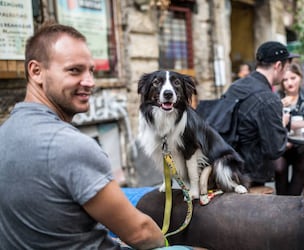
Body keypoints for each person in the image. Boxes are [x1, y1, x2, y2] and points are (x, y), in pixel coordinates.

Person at [0, 22, 188, 250]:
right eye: (74, 70)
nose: (90, 82)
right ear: (36, 71)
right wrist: (167, 244)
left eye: (91, 70)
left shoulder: (6, 130)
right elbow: (140, 233)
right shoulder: (72, 145)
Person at [217, 41, 296, 187]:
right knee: (301, 155)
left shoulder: (236, 86)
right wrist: (282, 123)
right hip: (248, 173)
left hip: (223, 165)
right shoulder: (269, 99)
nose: (285, 74)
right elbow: (275, 149)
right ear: (278, 66)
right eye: (286, 68)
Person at [274, 63, 304, 195]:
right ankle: (282, 203)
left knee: (302, 164)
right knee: (279, 168)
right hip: (284, 144)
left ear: (300, 77)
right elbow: (273, 126)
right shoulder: (276, 98)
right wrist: (278, 106)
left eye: (293, 78)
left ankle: (291, 203)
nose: (289, 83)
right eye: (285, 80)